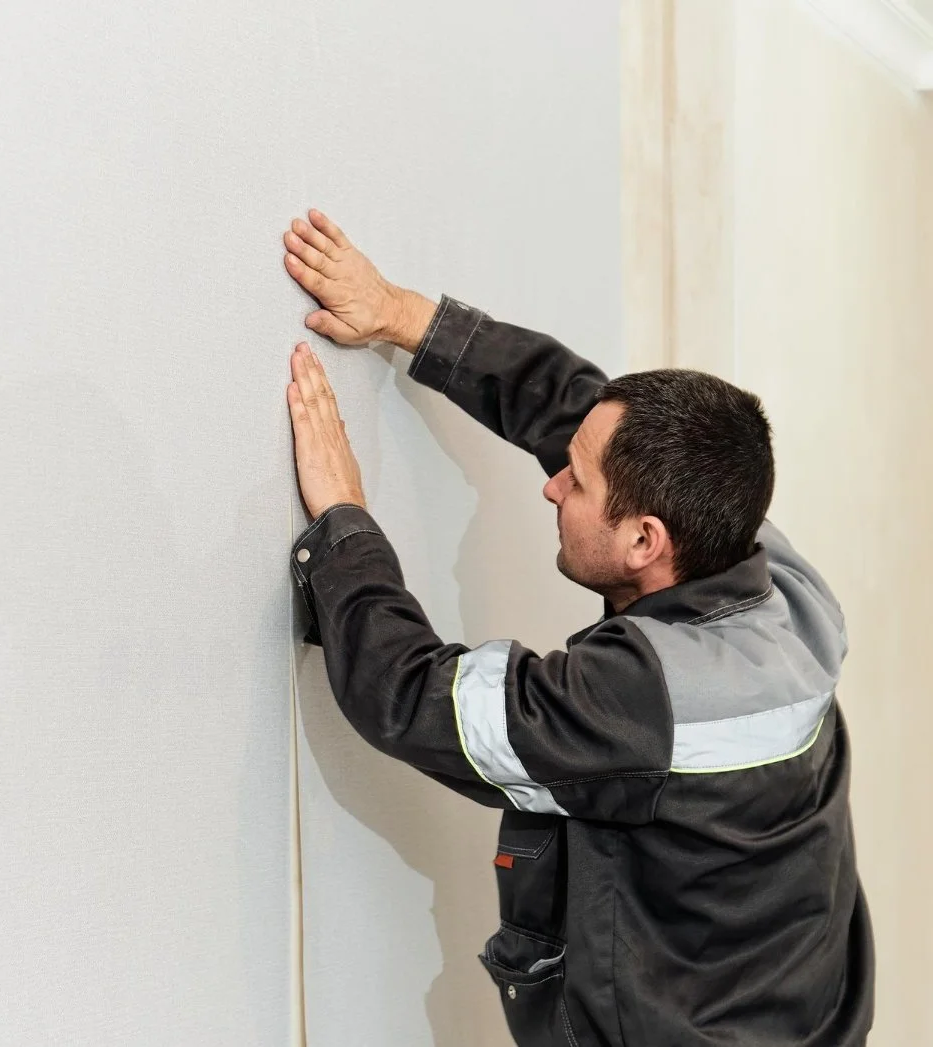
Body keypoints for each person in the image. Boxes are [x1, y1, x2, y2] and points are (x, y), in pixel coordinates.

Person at [280, 210, 874, 1047]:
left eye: (578, 483)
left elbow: (411, 695)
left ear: (645, 541)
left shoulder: (640, 703)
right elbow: (587, 415)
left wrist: (343, 517)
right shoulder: (771, 577)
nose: (553, 485)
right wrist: (400, 313)